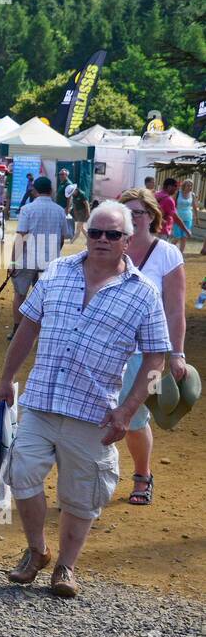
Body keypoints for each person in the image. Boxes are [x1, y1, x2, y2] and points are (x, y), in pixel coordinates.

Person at [0, 201, 170, 598]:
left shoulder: (144, 293)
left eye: (112, 234)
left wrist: (128, 410)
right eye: (95, 232)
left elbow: (155, 357)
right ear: (85, 234)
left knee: (82, 495)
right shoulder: (57, 271)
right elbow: (28, 327)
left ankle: (66, 567)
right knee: (21, 475)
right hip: (41, 400)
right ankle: (37, 551)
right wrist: (7, 377)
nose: (102, 240)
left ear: (127, 240)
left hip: (94, 412)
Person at [114, 187, 188, 506]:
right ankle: (89, 480)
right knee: (91, 417)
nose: (132, 219)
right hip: (106, 350)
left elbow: (175, 309)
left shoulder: (167, 254)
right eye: (125, 214)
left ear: (152, 216)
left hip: (149, 357)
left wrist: (178, 354)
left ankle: (142, 475)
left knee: (135, 419)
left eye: (138, 213)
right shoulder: (111, 247)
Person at [9, 175, 68, 339]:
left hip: (27, 259)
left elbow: (21, 236)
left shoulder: (27, 210)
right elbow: (62, 238)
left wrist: (14, 261)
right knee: (44, 299)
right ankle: (40, 332)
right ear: (51, 191)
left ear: (34, 191)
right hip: (49, 262)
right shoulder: (59, 211)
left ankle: (17, 330)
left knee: (20, 295)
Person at [172, 178, 196, 255]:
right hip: (178, 218)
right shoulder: (178, 193)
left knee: (184, 237)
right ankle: (168, 251)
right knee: (177, 237)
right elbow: (172, 205)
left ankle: (180, 254)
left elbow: (194, 206)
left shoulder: (192, 194)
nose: (190, 188)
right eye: (188, 186)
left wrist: (197, 217)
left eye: (191, 186)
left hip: (188, 218)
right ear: (184, 186)